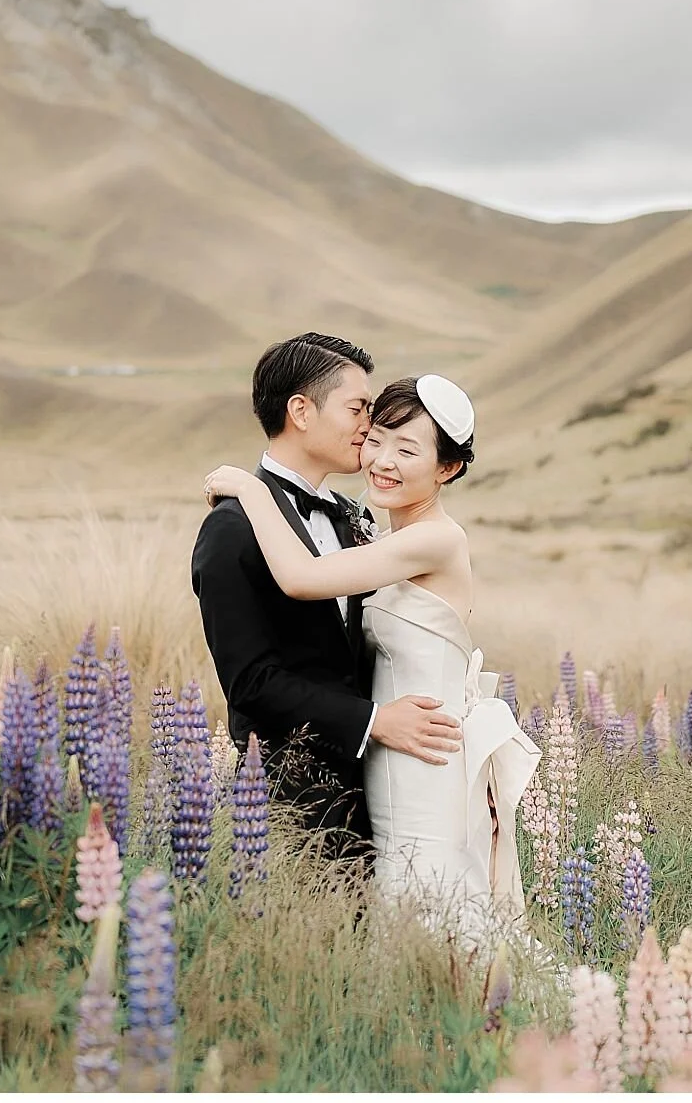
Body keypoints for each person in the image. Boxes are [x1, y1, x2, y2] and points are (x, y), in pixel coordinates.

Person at [202, 368, 540, 940]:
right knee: (393, 903)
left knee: (429, 901)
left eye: (407, 450)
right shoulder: (379, 535)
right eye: (376, 439)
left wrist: (255, 490)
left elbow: (302, 578)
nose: (382, 460)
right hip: (383, 753)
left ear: (446, 469)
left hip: (425, 752)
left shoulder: (437, 539)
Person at [191, 334, 467, 872]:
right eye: (357, 408)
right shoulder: (232, 529)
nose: (368, 425)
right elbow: (250, 683)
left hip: (385, 779)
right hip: (287, 797)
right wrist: (372, 722)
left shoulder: (352, 516)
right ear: (301, 411)